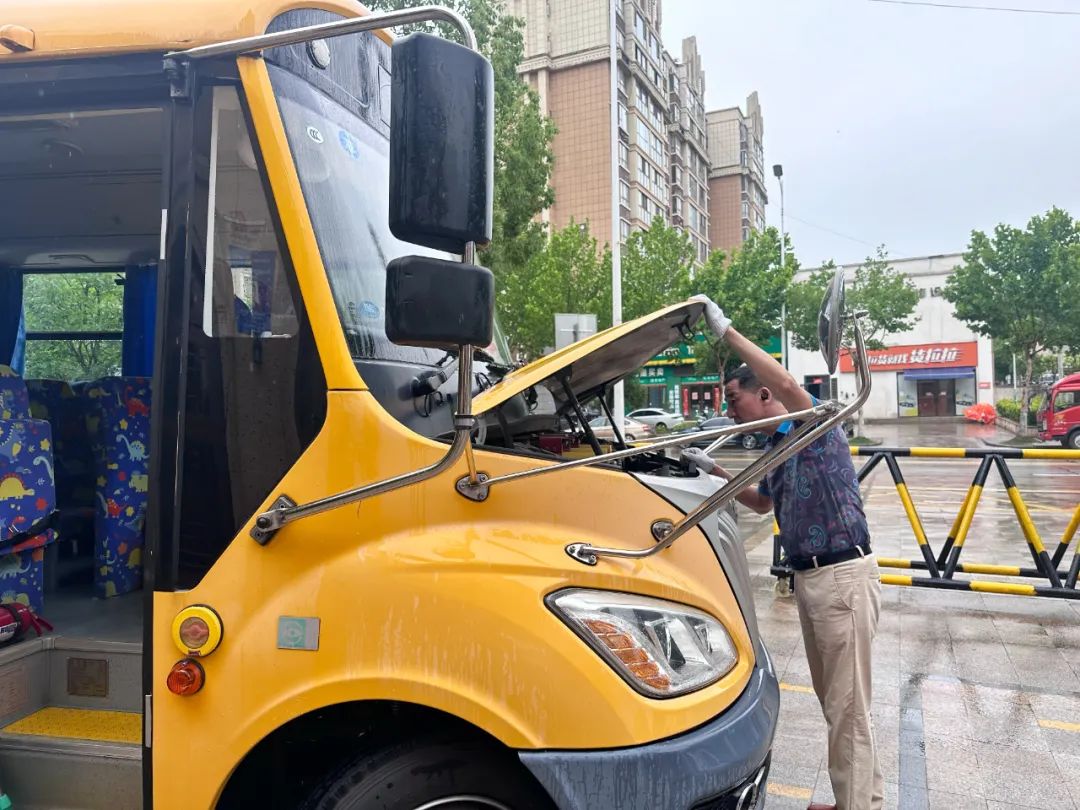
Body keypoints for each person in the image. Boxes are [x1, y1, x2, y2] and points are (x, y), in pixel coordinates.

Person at [682, 297, 883, 810]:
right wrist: (713, 471)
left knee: (848, 709)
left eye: (735, 400)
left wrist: (728, 332)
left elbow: (792, 383)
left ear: (766, 394)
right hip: (813, 581)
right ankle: (854, 801)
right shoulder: (778, 448)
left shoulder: (812, 425)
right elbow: (762, 502)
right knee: (836, 702)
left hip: (841, 577)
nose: (730, 412)